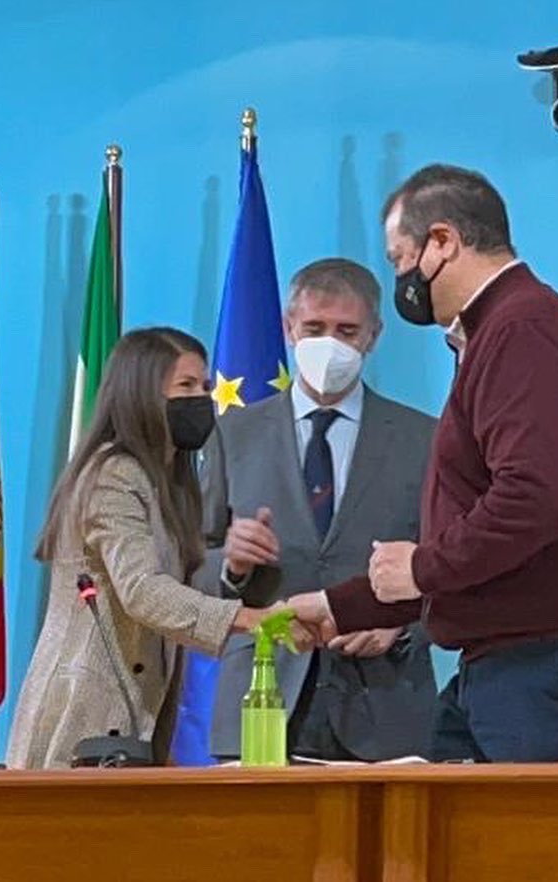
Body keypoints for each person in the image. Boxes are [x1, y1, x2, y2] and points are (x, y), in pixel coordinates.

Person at [291, 164, 558, 762]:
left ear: (442, 241)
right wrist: (338, 606)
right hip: (519, 655)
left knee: (533, 828)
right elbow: (478, 538)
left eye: (400, 258)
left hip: (552, 658)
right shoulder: (502, 329)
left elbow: (532, 498)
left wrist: (422, 567)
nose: (402, 279)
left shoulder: (522, 329)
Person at [7, 328, 303, 769]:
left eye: (205, 386)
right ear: (142, 392)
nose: (202, 399)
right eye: (186, 386)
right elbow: (142, 591)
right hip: (85, 714)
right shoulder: (114, 475)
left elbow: (177, 587)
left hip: (135, 719)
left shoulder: (167, 483)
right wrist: (248, 619)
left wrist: (238, 571)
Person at [195, 258, 437, 761]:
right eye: (314, 328)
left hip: (386, 705)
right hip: (259, 701)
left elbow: (453, 565)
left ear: (374, 335)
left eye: (347, 331)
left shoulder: (425, 439)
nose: (330, 344)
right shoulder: (233, 434)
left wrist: (403, 627)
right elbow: (191, 565)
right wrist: (232, 566)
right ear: (289, 329)